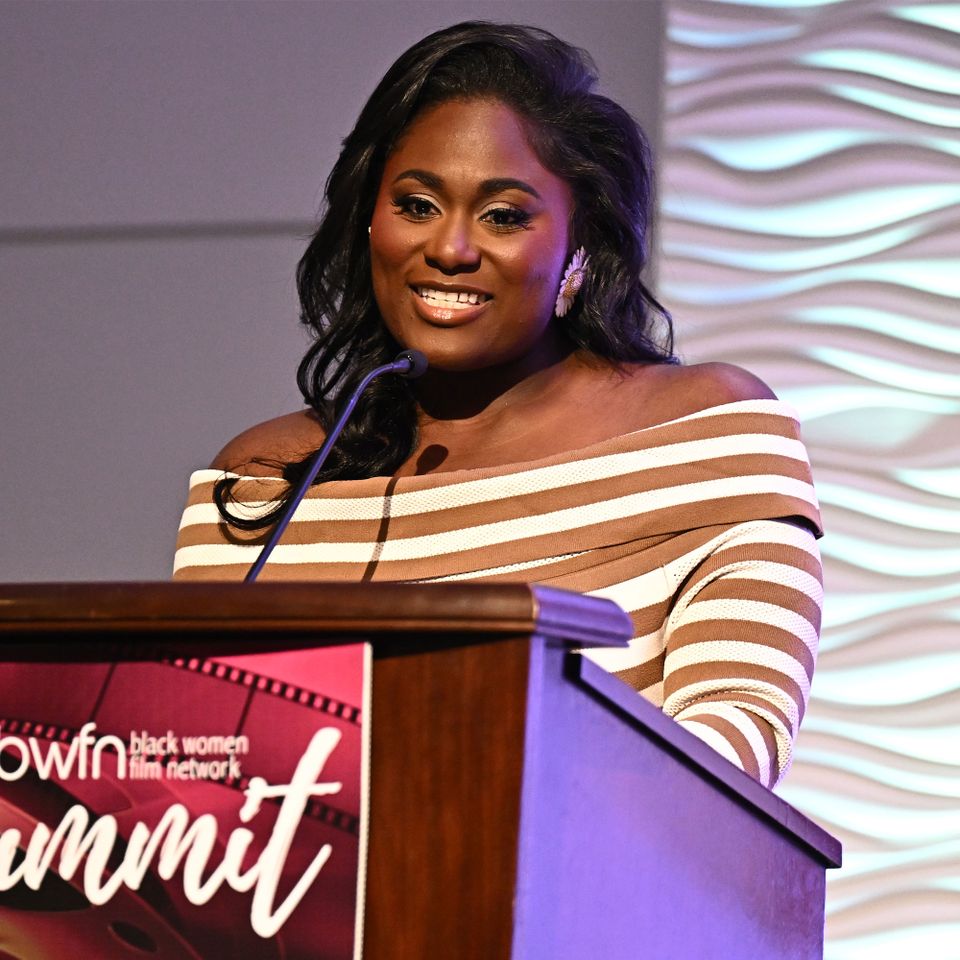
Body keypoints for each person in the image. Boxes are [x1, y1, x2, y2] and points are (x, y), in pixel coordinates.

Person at [173, 22, 822, 789]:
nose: (450, 248)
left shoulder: (703, 434)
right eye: (417, 205)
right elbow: (196, 759)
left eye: (504, 216)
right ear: (369, 222)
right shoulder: (266, 480)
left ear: (580, 251)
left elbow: (734, 739)